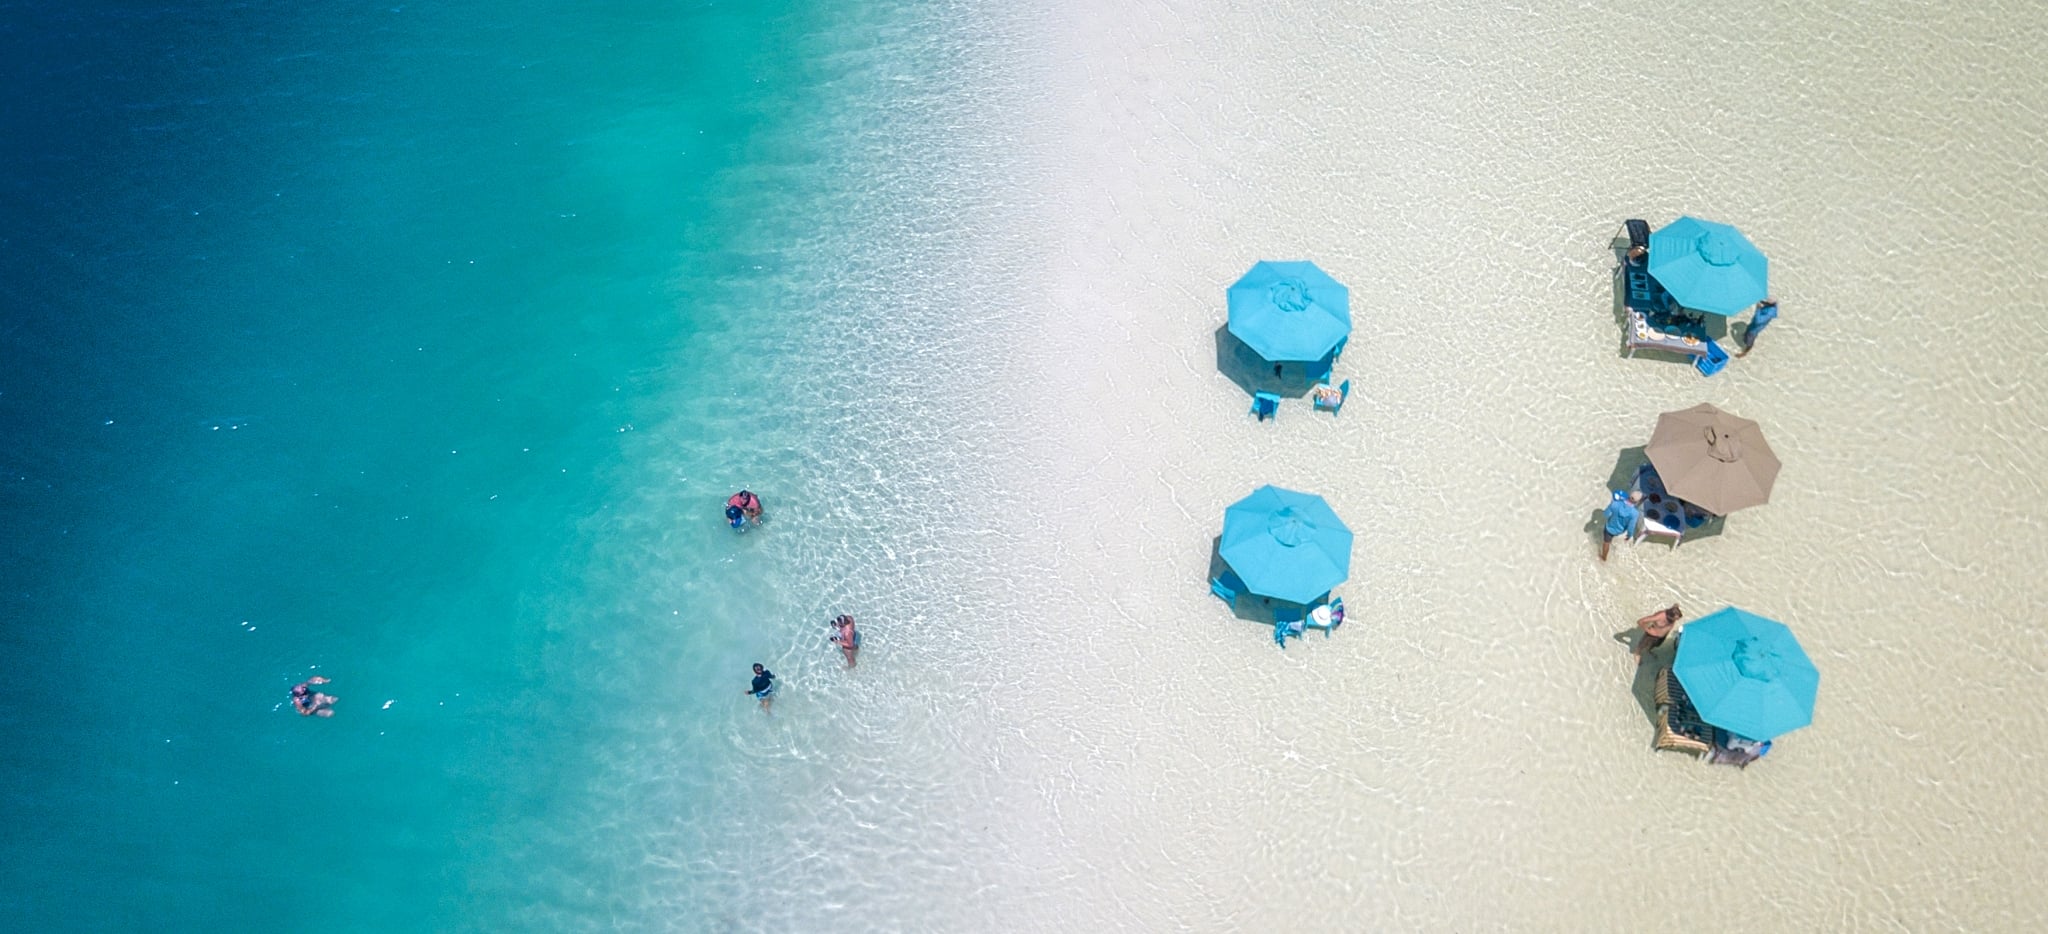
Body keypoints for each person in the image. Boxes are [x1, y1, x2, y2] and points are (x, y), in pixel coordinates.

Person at [1599, 490, 1642, 561]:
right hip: (1619, 531)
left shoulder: (1615, 504)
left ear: (1629, 495)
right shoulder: (1635, 513)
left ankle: (1604, 558)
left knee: (1606, 543)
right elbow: (1631, 527)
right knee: (1610, 539)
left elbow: (1606, 514)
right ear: (1637, 502)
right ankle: (1610, 541)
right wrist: (1629, 535)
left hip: (1609, 528)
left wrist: (1611, 506)